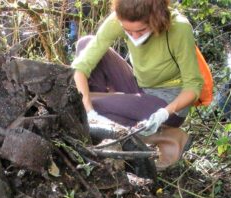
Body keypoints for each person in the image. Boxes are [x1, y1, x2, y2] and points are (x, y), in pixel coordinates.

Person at [71, 0, 204, 136]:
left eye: (141, 31)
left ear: (156, 19)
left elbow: (193, 86)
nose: (134, 36)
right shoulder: (118, 20)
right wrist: (89, 111)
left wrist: (163, 114)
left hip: (168, 104)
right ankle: (99, 120)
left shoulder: (179, 28)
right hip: (140, 87)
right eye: (128, 31)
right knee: (85, 44)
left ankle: (151, 134)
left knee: (88, 105)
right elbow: (80, 66)